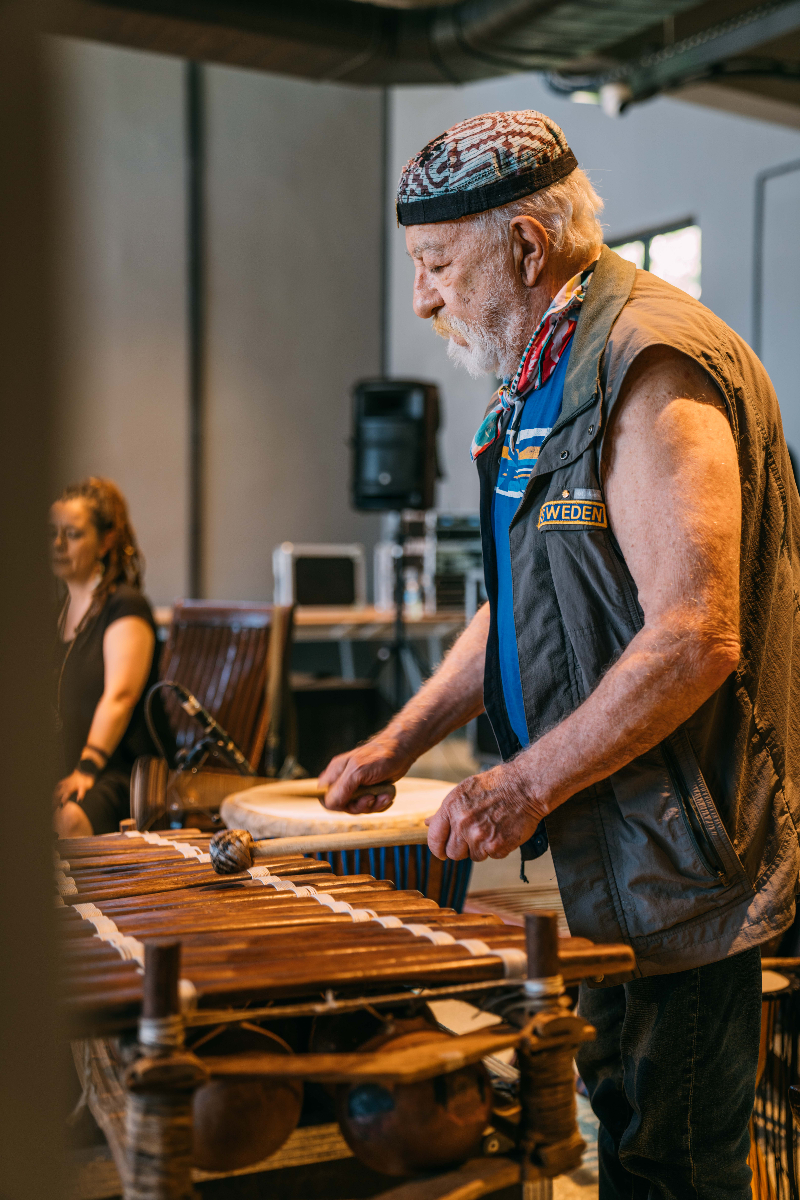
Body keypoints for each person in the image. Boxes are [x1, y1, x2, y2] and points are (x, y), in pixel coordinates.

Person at [319, 111, 800, 1197]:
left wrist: (519, 785)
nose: (423, 298)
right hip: (614, 847)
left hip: (687, 858)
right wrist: (400, 742)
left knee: (668, 1165)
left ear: (526, 248)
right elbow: (518, 602)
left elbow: (694, 631)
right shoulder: (545, 373)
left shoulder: (648, 365)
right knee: (622, 1128)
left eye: (437, 265)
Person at [51, 477, 172, 837]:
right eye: (52, 533)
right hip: (68, 766)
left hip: (122, 774)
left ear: (105, 541)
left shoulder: (125, 606)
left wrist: (86, 768)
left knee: (65, 823)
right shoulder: (55, 613)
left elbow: (121, 696)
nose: (58, 544)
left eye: (72, 534)